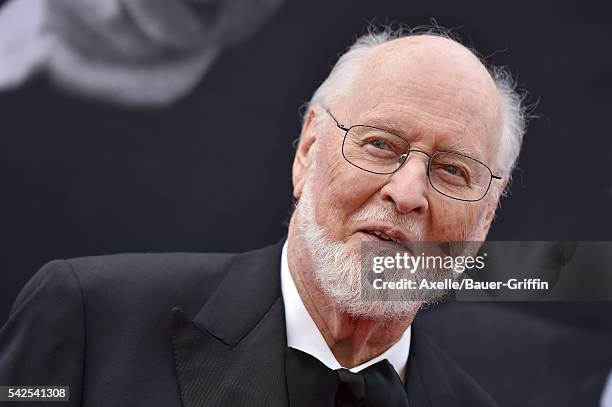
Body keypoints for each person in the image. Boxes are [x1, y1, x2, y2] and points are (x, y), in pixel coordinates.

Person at [0, 27, 526, 406]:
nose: (407, 192)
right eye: (381, 145)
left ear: (484, 220)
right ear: (308, 151)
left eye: (454, 172)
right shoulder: (92, 321)